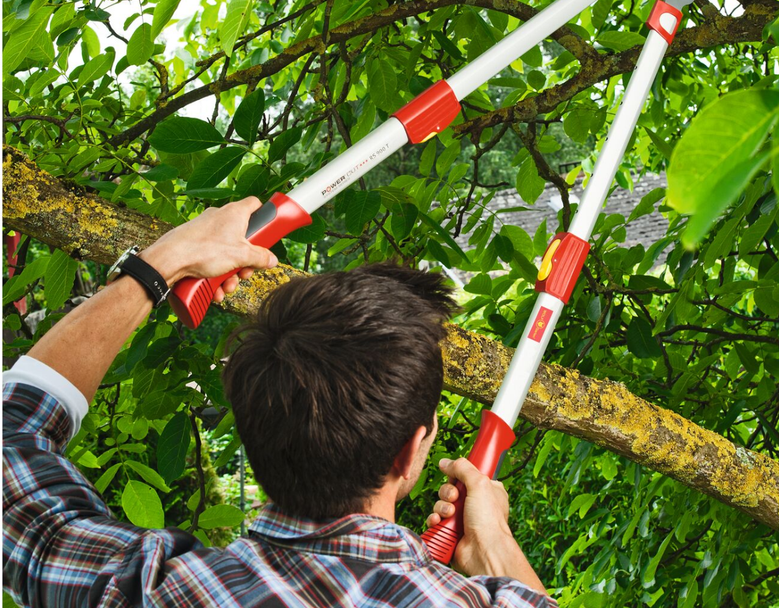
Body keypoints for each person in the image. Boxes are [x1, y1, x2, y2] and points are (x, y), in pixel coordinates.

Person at [3, 197, 556, 608]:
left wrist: (164, 263)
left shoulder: (160, 593)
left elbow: (9, 447)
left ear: (253, 425)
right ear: (412, 450)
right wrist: (497, 551)